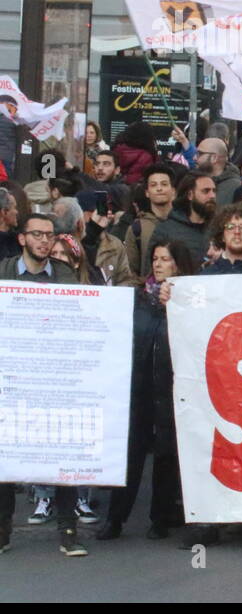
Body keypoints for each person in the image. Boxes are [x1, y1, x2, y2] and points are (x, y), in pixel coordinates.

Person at [0, 213, 88, 557]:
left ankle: (68, 529)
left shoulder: (66, 276)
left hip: (56, 378)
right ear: (22, 238)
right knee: (6, 455)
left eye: (49, 236)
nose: (43, 241)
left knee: (62, 452)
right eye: (36, 234)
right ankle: (3, 528)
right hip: (11, 378)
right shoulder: (5, 272)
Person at [97, 240, 197, 542]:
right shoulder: (138, 299)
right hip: (137, 389)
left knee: (167, 455)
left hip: (170, 389)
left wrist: (177, 308)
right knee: (131, 455)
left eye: (165, 259)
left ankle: (160, 518)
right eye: (155, 258)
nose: (158, 264)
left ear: (178, 264)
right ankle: (115, 519)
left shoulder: (190, 302)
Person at [150, 172, 217, 265]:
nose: (212, 196)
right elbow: (151, 272)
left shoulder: (220, 227)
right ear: (190, 195)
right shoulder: (166, 231)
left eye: (214, 191)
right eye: (206, 191)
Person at [195, 138, 241, 206]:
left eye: (200, 154)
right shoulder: (194, 179)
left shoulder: (235, 187)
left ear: (214, 158)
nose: (194, 158)